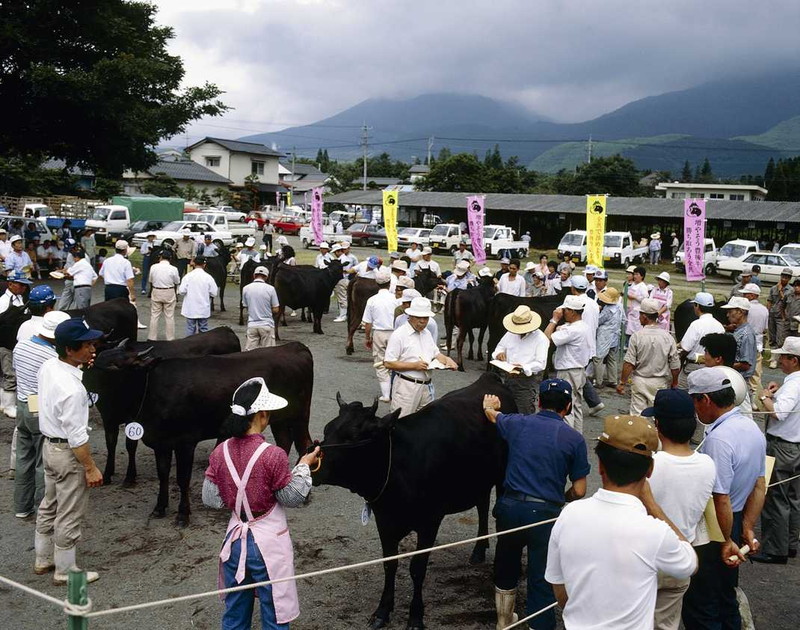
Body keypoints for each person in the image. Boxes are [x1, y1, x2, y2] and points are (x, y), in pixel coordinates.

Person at [545, 414, 697, 630]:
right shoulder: (655, 532)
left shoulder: (569, 515)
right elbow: (689, 563)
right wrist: (653, 506)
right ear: (650, 469)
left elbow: (559, 588)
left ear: (600, 466)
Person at [203, 377, 321, 629]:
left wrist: (234, 491)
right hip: (268, 545)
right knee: (275, 613)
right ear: (263, 415)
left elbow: (210, 498)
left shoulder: (219, 452)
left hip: (235, 542)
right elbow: (291, 497)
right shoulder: (273, 455)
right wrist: (303, 466)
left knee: (235, 614)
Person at [483, 379, 589, 630]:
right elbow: (580, 489)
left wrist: (488, 406)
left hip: (510, 507)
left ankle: (503, 620)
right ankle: (538, 625)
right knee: (541, 575)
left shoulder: (518, 423)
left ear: (539, 402)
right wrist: (563, 498)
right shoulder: (574, 439)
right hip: (544, 513)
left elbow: (494, 416)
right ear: (568, 406)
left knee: (506, 564)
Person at [682, 368, 766, 629]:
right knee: (726, 595)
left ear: (705, 399)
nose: (694, 409)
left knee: (702, 601)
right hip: (737, 519)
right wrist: (747, 527)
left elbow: (720, 497)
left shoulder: (719, 438)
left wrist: (726, 539)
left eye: (694, 401)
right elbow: (760, 485)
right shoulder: (751, 427)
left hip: (716, 526)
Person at [34, 318, 104, 585]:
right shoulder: (73, 390)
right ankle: (65, 570)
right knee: (70, 511)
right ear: (69, 350)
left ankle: (43, 558)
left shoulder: (49, 366)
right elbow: (77, 438)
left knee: (49, 503)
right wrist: (90, 467)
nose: (92, 349)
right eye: (86, 345)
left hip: (49, 446)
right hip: (67, 452)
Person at [644, 389, 716, 630]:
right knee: (666, 623)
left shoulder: (651, 464)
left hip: (647, 556)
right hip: (680, 557)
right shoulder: (707, 464)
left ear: (658, 425)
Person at [12, 311, 71, 519]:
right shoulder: (51, 357)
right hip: (40, 408)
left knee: (23, 458)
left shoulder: (21, 346)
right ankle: (41, 508)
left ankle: (21, 506)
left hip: (22, 405)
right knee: (42, 462)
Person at [753, 336, 800, 564]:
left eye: (783, 357)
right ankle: (790, 544)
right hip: (795, 445)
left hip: (782, 445)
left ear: (794, 360)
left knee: (775, 497)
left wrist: (764, 396)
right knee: (793, 497)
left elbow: (779, 412)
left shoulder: (793, 384)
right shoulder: (792, 383)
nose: (780, 361)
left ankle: (775, 549)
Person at [383, 297, 457, 416]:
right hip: (407, 386)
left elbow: (436, 353)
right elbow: (388, 363)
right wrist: (414, 366)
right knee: (402, 420)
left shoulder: (426, 333)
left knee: (424, 421)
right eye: (419, 317)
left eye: (426, 318)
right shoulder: (399, 335)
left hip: (426, 386)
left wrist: (447, 360)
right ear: (410, 316)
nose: (422, 321)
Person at [617, 298, 680, 415]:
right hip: (660, 382)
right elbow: (675, 365)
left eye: (640, 314)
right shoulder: (668, 337)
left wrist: (622, 382)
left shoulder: (637, 336)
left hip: (640, 380)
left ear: (644, 317)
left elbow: (629, 363)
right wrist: (675, 381)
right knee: (657, 415)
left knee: (638, 416)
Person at [544, 295, 591, 433]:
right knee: (576, 405)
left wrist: (554, 320)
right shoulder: (583, 326)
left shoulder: (572, 330)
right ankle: (577, 435)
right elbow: (563, 329)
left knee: (566, 407)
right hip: (579, 370)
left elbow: (546, 338)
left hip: (568, 371)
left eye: (566, 310)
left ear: (573, 312)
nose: (563, 312)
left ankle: (567, 436)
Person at [491, 306, 549, 414]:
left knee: (524, 412)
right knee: (506, 411)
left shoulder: (541, 339)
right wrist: (499, 354)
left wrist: (523, 367)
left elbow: (541, 364)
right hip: (508, 378)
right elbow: (499, 347)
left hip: (526, 382)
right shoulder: (510, 333)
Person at [0, 271, 32, 419]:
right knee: (10, 374)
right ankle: (9, 406)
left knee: (5, 373)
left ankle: (3, 402)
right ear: (10, 284)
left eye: (25, 285)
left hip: (14, 342)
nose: (24, 288)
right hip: (5, 344)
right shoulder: (3, 302)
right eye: (21, 285)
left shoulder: (21, 299)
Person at [362, 271, 397, 402]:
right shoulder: (395, 299)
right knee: (395, 360)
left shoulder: (372, 300)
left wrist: (367, 337)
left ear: (377, 284)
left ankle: (386, 394)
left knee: (380, 362)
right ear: (390, 283)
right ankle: (395, 390)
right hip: (395, 332)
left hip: (379, 332)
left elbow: (368, 322)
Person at [678, 292, 725, 388]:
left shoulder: (696, 324)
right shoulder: (720, 326)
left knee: (683, 392)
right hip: (712, 367)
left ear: (697, 306)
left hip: (693, 367)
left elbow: (685, 347)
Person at [722, 296, 758, 413]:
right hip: (736, 379)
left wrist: (725, 365)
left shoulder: (745, 334)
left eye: (730, 311)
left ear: (740, 312)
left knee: (744, 415)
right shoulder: (739, 330)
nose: (728, 315)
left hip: (740, 381)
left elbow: (745, 364)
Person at [740, 282, 769, 401]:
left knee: (743, 373)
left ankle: (746, 398)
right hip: (758, 344)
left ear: (752, 295)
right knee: (756, 376)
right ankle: (755, 400)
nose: (743, 296)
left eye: (745, 294)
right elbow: (765, 329)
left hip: (746, 343)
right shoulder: (764, 309)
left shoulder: (745, 308)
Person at [178, 256, 218, 335]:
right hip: (203, 307)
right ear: (204, 264)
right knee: (203, 329)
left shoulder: (188, 276)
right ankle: (203, 343)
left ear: (194, 263)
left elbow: (181, 291)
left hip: (190, 308)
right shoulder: (208, 277)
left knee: (190, 329)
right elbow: (214, 293)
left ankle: (189, 343)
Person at [242, 266, 280, 349]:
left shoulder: (245, 288)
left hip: (252, 324)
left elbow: (246, 306)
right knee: (268, 352)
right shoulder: (271, 289)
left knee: (250, 353)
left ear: (254, 275)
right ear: (266, 277)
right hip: (266, 324)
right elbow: (276, 309)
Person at [147, 249, 181, 341]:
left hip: (156, 290)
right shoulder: (173, 269)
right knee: (169, 316)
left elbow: (150, 280)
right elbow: (177, 281)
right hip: (169, 291)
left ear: (160, 257)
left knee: (154, 315)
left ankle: (152, 337)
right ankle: (170, 338)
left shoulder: (153, 267)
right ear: (170, 258)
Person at [593, 287, 623, 388]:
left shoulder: (608, 310)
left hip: (605, 336)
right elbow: (623, 319)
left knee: (598, 358)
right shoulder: (620, 307)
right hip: (615, 334)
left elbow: (598, 321)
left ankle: (598, 381)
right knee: (612, 358)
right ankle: (613, 380)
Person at [767, 268, 793, 368]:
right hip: (772, 315)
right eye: (783, 276)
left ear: (789, 278)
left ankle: (775, 360)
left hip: (781, 317)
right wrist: (768, 312)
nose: (784, 278)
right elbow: (769, 300)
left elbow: (785, 300)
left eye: (786, 277)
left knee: (780, 338)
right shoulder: (773, 288)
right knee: (772, 337)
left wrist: (780, 290)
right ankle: (773, 356)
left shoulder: (790, 290)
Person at [626, 266, 649, 338]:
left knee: (635, 333)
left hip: (637, 313)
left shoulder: (643, 287)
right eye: (634, 274)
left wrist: (635, 297)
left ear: (642, 276)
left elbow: (645, 299)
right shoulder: (633, 284)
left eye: (637, 274)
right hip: (630, 310)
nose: (635, 276)